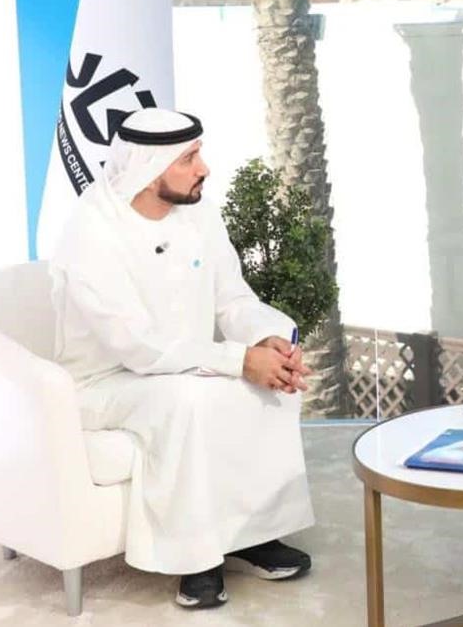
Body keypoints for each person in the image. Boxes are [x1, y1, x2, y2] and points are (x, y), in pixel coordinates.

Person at [49, 108, 316, 610]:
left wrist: (268, 338)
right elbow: (137, 345)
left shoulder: (200, 214)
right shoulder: (92, 232)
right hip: (104, 382)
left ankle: (252, 533)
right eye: (189, 158)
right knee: (186, 400)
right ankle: (196, 559)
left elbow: (231, 299)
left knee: (269, 380)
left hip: (184, 364)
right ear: (150, 169)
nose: (204, 169)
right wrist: (239, 361)